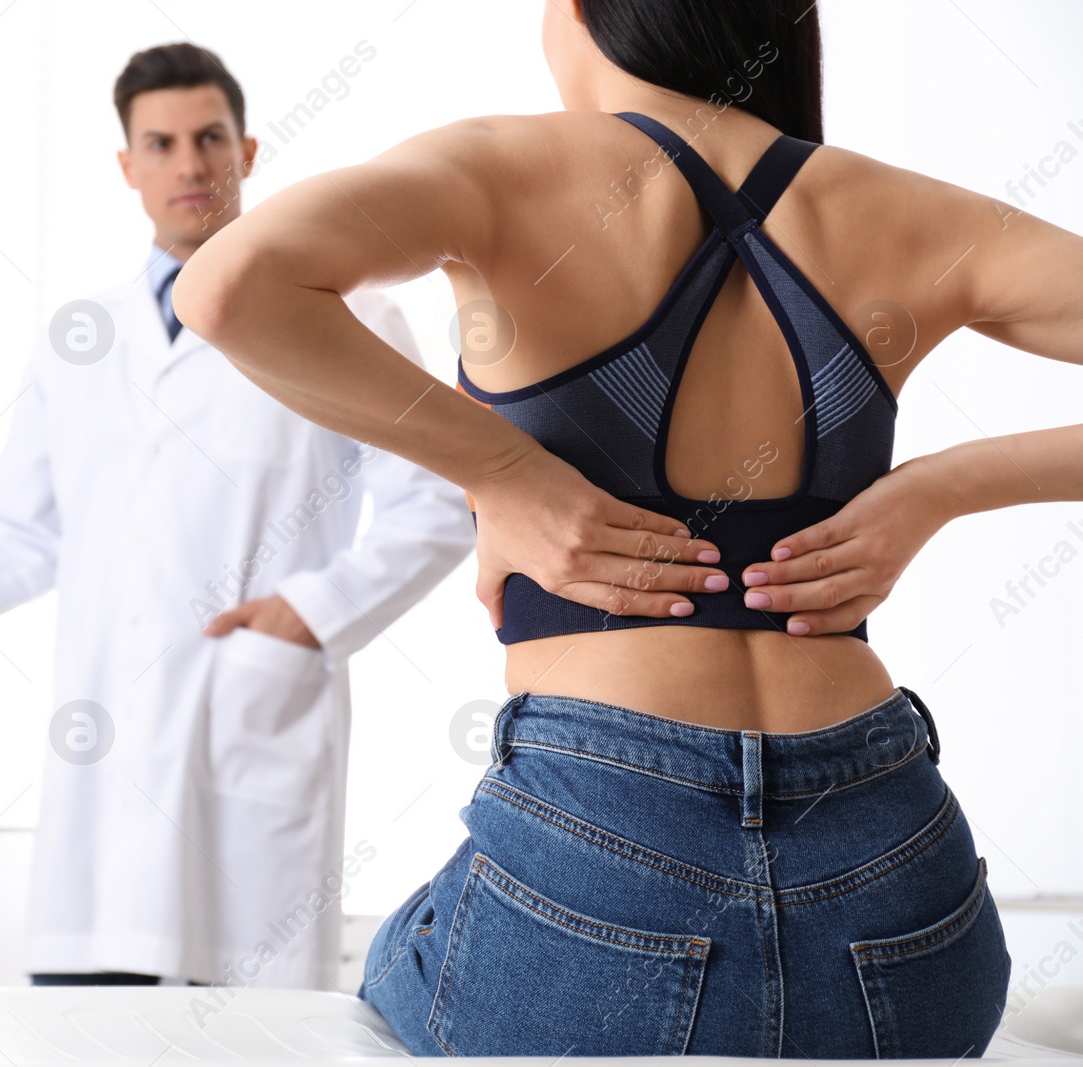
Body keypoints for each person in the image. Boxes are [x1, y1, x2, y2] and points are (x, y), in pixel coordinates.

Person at [174, 0, 1082, 1055]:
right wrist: (943, 486)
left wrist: (505, 470)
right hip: (897, 877)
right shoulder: (894, 209)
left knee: (395, 958)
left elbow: (230, 282)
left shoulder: (501, 164)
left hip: (603, 832)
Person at [0, 42, 476, 989]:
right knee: (87, 1025)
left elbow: (437, 499)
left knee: (247, 1041)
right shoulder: (78, 344)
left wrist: (313, 611)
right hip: (102, 803)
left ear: (249, 152)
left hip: (248, 734)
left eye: (210, 137)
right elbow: (19, 539)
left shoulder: (352, 317)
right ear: (127, 167)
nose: (190, 164)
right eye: (162, 143)